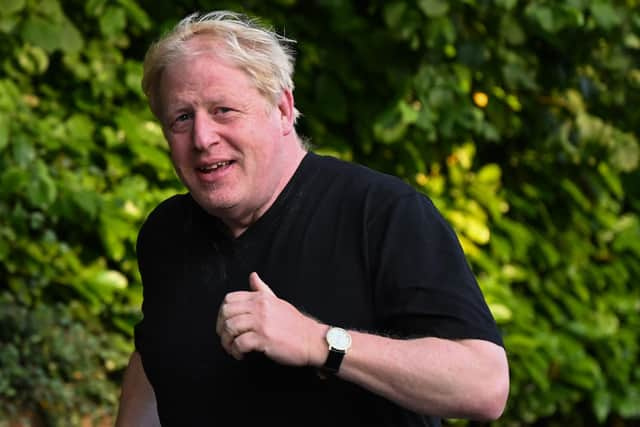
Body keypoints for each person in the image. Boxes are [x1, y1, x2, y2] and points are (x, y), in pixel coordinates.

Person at [115, 10, 509, 427]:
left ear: (283, 109)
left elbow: (484, 384)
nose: (203, 138)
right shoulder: (167, 232)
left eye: (224, 110)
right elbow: (156, 355)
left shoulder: (381, 212)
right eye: (181, 118)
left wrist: (319, 343)